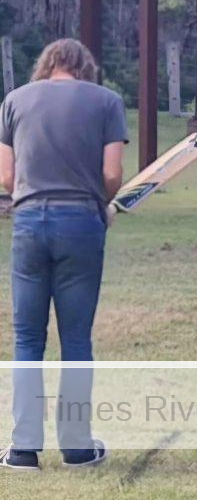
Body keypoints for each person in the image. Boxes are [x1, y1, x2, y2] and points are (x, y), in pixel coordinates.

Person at [0, 39, 127, 471]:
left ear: (47, 65)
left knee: (27, 339)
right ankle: (75, 446)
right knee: (75, 339)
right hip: (81, 226)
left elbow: (6, 176)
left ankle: (22, 449)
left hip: (30, 224)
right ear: (84, 67)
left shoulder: (14, 100)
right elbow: (112, 173)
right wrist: (101, 204)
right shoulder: (107, 102)